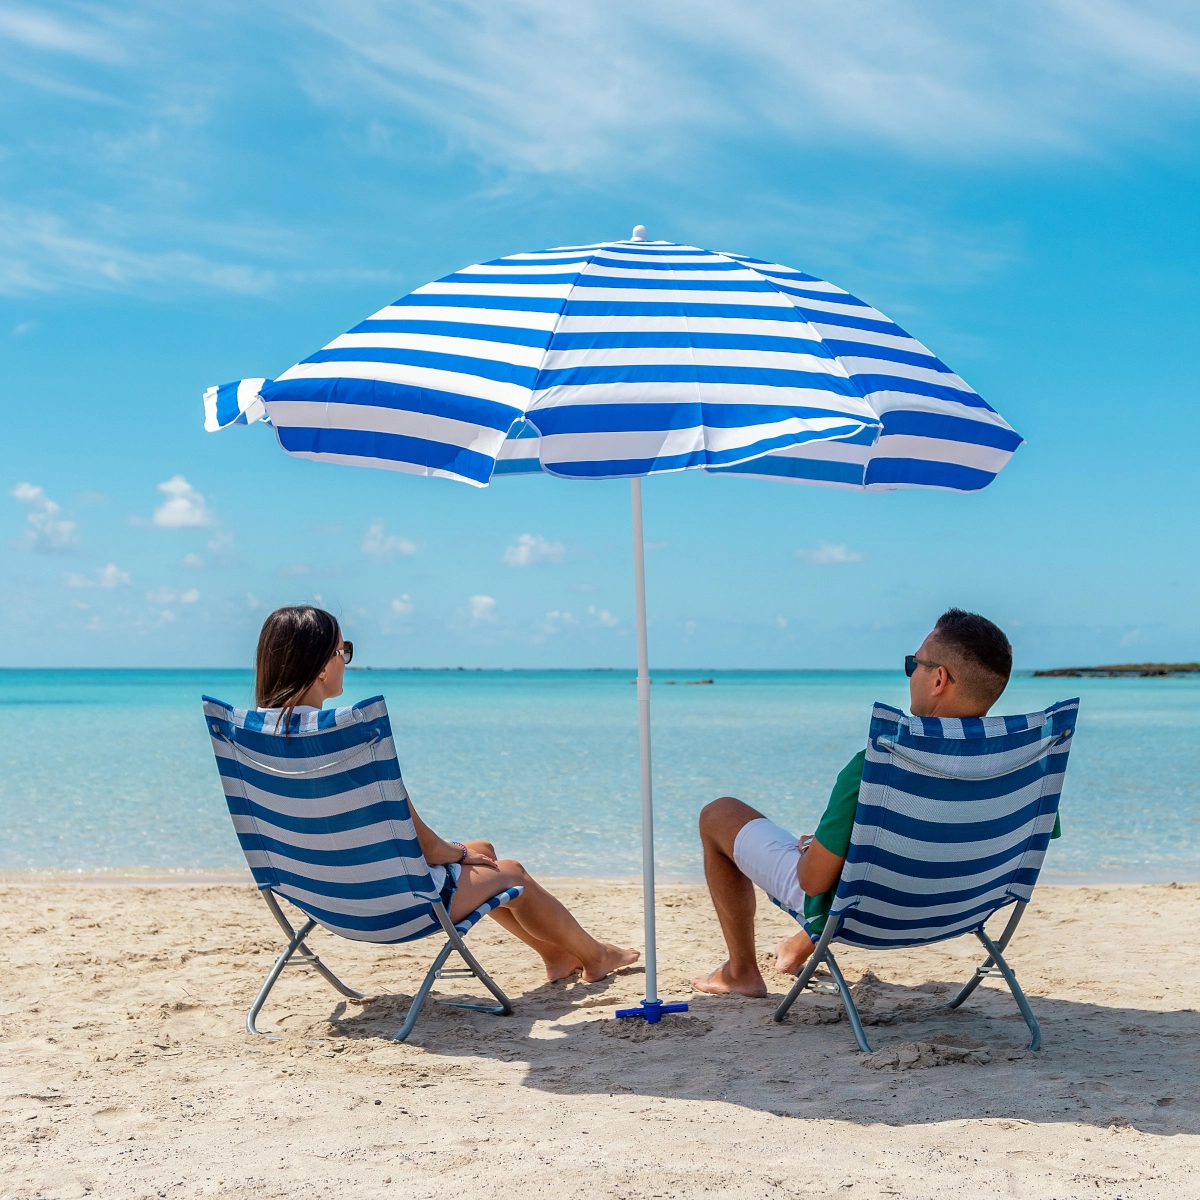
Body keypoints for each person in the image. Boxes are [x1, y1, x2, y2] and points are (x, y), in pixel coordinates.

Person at [255, 605, 640, 984]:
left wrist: (466, 853)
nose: (346, 661)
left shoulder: (253, 741)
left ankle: (555, 954)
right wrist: (458, 853)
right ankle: (597, 956)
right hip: (393, 908)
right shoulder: (346, 740)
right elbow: (425, 848)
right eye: (343, 651)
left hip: (322, 902)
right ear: (322, 665)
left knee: (483, 850)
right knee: (510, 871)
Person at [692, 608, 1058, 997]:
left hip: (869, 915)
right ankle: (798, 946)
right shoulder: (1028, 762)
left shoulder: (880, 764)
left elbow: (812, 882)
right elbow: (1023, 840)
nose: (910, 673)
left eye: (912, 664)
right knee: (871, 856)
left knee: (719, 814)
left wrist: (817, 851)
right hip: (966, 910)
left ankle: (741, 972)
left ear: (938, 678)